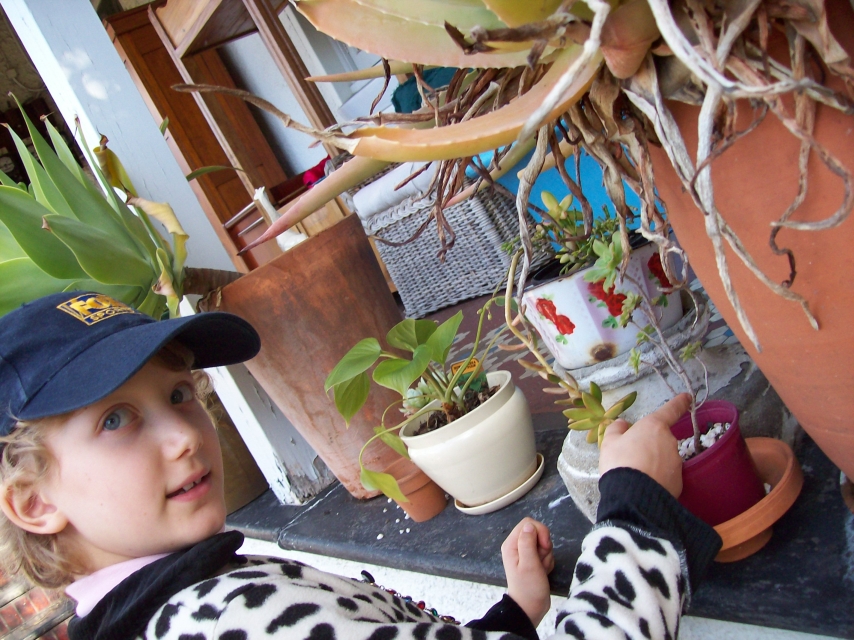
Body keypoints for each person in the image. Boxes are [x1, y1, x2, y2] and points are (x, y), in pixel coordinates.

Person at [0, 291, 720, 640]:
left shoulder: (171, 611)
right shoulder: (228, 623)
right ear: (34, 503)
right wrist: (638, 512)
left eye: (181, 393)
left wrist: (512, 613)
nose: (184, 437)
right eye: (116, 419)